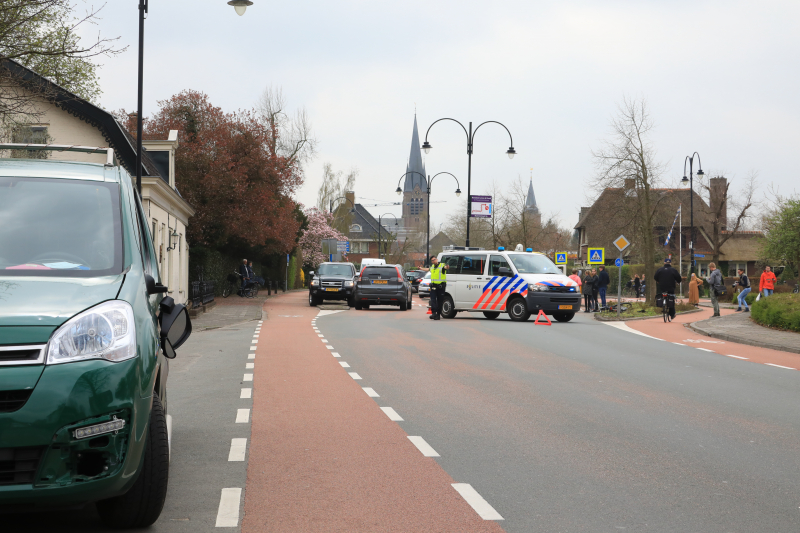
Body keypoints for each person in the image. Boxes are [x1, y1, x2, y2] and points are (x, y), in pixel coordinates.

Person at [419, 255, 448, 320]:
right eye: (432, 260)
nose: (434, 260)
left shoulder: (442, 265)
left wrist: (447, 267)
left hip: (441, 287)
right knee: (433, 300)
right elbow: (428, 269)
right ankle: (433, 313)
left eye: (435, 259)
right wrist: (421, 268)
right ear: (431, 262)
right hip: (433, 287)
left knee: (440, 301)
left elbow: (445, 267)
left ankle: (438, 315)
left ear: (437, 259)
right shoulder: (432, 267)